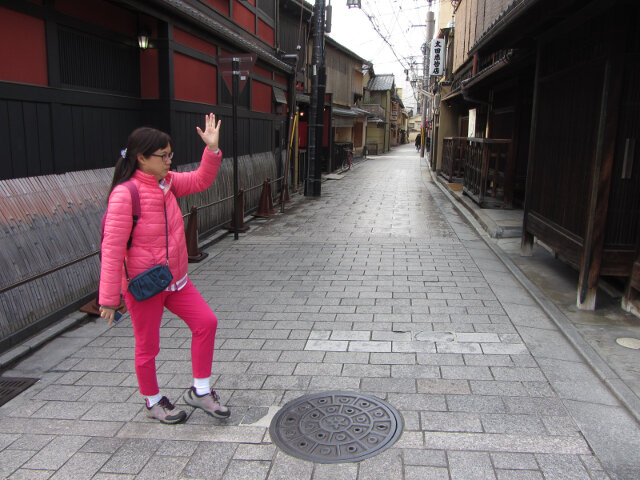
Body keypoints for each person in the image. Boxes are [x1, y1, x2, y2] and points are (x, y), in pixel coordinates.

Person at [99, 114, 230, 424]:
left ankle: (200, 391)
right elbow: (112, 248)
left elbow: (200, 179)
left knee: (206, 323)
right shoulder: (125, 194)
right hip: (145, 284)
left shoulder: (166, 183)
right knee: (148, 346)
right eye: (164, 156)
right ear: (142, 158)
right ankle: (153, 401)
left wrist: (211, 150)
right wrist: (107, 298)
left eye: (171, 154)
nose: (170, 161)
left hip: (175, 279)